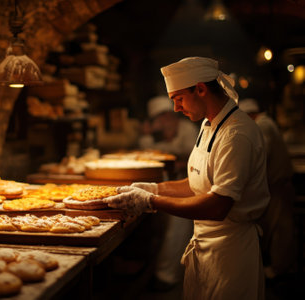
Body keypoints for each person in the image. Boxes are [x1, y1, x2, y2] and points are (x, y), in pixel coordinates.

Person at [105, 57, 270, 299]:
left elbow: (217, 205)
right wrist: (155, 188)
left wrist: (150, 201)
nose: (176, 109)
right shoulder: (209, 125)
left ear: (200, 89)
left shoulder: (237, 134)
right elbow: (198, 182)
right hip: (206, 246)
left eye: (178, 99)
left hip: (230, 253)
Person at [138, 95, 198, 290]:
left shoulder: (187, 129)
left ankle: (168, 275)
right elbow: (147, 152)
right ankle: (160, 270)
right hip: (164, 181)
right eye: (159, 118)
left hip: (187, 182)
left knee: (178, 229)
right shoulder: (154, 135)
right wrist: (150, 135)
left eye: (165, 116)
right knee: (162, 229)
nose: (164, 121)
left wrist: (174, 155)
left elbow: (189, 154)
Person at [239, 98, 296, 279]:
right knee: (276, 228)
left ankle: (280, 272)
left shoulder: (262, 125)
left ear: (250, 115)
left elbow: (260, 154)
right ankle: (278, 269)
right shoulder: (266, 123)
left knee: (280, 229)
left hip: (278, 185)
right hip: (277, 185)